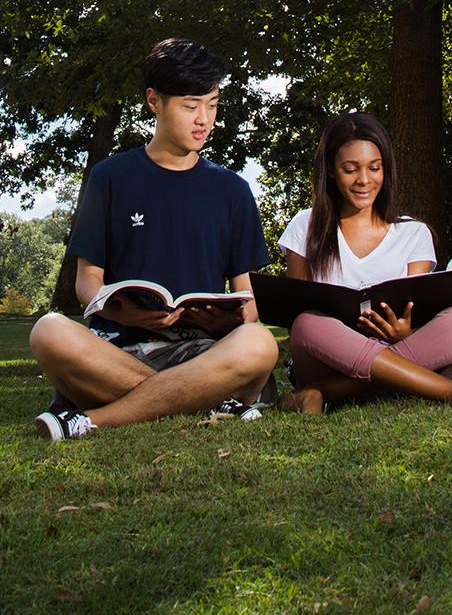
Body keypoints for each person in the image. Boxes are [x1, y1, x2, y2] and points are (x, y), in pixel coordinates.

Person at [28, 39, 280, 440]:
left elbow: (248, 301)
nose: (204, 119)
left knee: (259, 343)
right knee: (47, 331)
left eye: (212, 105)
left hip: (204, 353)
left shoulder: (232, 190)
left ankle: (93, 420)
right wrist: (123, 313)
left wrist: (232, 317)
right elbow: (86, 283)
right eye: (190, 105)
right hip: (119, 350)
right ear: (154, 101)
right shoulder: (110, 177)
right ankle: (211, 402)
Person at [277, 112, 452, 410]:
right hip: (330, 356)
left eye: (374, 168)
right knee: (307, 323)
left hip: (400, 346)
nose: (364, 180)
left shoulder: (413, 233)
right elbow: (294, 313)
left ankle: (324, 393)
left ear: (385, 169)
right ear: (330, 171)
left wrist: (407, 333)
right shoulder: (306, 225)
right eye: (350, 169)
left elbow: (419, 312)